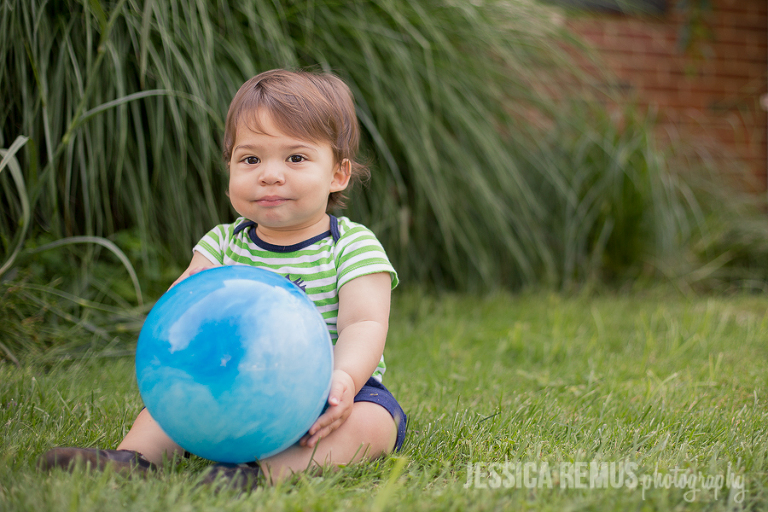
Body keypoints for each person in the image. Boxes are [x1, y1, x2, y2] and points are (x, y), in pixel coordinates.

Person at [39, 69, 406, 489]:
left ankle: (262, 473)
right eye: (251, 159)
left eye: (296, 158)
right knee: (167, 411)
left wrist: (343, 380)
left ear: (338, 174)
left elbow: (364, 324)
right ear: (229, 166)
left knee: (373, 423)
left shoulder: (351, 246)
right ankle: (135, 458)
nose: (270, 174)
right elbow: (183, 308)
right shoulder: (222, 244)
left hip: (332, 393)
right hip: (231, 385)